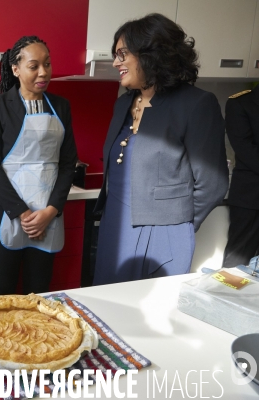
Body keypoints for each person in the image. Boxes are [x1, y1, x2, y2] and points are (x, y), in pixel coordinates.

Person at [93, 14, 229, 285]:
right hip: (114, 227)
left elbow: (212, 183)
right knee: (107, 310)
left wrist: (178, 227)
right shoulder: (123, 103)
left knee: (148, 318)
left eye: (122, 54)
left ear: (151, 53)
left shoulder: (197, 103)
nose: (116, 62)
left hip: (163, 236)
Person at [0, 36, 78, 295]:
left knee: (39, 292)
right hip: (7, 213)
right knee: (3, 292)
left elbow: (68, 164)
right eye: (34, 66)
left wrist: (50, 211)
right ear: (16, 69)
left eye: (47, 64)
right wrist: (23, 213)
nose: (43, 72)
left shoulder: (61, 106)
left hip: (48, 215)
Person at [222, 86, 259, 269]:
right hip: (251, 199)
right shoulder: (240, 103)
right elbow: (245, 150)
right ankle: (222, 297)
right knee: (237, 264)